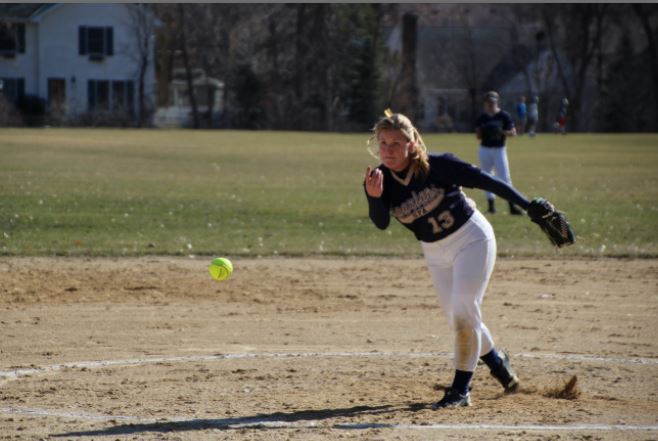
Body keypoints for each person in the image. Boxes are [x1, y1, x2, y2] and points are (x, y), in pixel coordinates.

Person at [363, 110, 531, 409]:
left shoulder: (438, 165)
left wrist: (528, 207)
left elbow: (488, 182)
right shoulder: (380, 179)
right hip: (435, 252)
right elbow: (380, 223)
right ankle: (497, 363)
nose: (387, 150)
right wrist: (374, 198)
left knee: (464, 310)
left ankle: (460, 390)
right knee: (460, 318)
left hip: (472, 239)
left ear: (411, 144)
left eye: (395, 143)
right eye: (382, 143)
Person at [475, 91, 522, 215]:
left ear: (497, 102)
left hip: (499, 149)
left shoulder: (503, 116)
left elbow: (513, 132)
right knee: (486, 176)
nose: (491, 104)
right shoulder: (482, 117)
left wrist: (501, 132)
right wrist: (484, 131)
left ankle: (512, 207)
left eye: (493, 102)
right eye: (489, 102)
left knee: (505, 177)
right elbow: (478, 136)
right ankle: (491, 206)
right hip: (485, 149)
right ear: (486, 103)